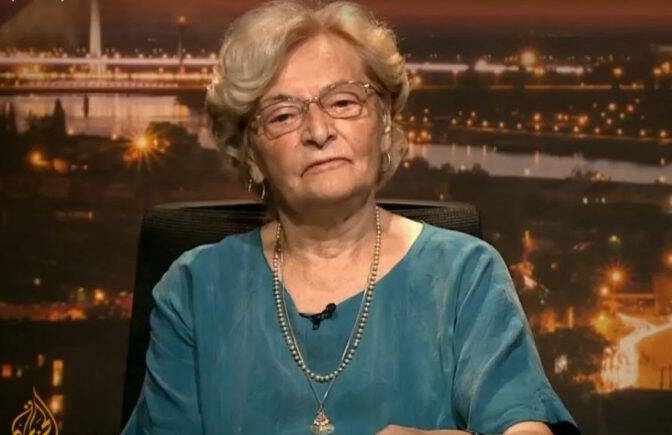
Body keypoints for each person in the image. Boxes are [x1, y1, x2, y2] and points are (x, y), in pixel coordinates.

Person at [120, 1, 580, 434]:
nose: (319, 131)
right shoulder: (194, 290)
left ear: (384, 123)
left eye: (343, 102)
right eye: (282, 116)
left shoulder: (465, 275)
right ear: (251, 155)